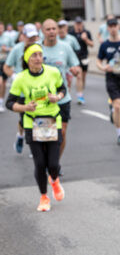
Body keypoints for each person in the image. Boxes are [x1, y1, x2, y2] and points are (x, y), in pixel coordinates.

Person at [6, 43, 66, 212]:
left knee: (53, 164)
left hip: (53, 121)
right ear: (27, 59)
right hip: (32, 123)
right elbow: (9, 103)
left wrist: (57, 96)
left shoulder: (53, 72)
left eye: (40, 54)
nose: (38, 58)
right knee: (40, 163)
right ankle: (44, 197)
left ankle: (54, 180)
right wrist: (24, 108)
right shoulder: (21, 78)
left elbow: (62, 88)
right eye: (34, 55)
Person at [41, 19, 81, 170]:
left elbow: (74, 64)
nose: (51, 31)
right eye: (48, 29)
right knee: (46, 134)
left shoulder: (65, 47)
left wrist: (75, 70)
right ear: (43, 32)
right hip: (43, 99)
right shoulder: (37, 49)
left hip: (62, 97)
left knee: (62, 132)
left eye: (54, 29)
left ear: (57, 30)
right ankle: (46, 160)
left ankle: (55, 163)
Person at [4, 23, 40, 155]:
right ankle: (20, 136)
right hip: (22, 91)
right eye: (29, 37)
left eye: (34, 36)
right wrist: (14, 76)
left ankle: (35, 146)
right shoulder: (17, 49)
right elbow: (6, 67)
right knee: (24, 119)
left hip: (38, 89)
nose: (32, 39)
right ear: (23, 36)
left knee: (38, 116)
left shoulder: (40, 49)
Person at [69, 16, 93, 105]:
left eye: (80, 23)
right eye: (77, 23)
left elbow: (92, 44)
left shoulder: (86, 32)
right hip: (74, 58)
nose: (78, 25)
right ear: (75, 24)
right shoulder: (71, 33)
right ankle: (79, 95)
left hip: (84, 57)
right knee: (78, 76)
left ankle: (81, 89)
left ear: (82, 23)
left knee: (83, 76)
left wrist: (85, 39)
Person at [58, 20, 82, 90]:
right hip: (59, 65)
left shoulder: (71, 38)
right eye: (60, 27)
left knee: (68, 84)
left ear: (66, 27)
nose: (61, 28)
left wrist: (74, 63)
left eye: (63, 26)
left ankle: (74, 96)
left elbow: (77, 50)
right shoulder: (55, 39)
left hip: (69, 66)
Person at [0, 21, 14, 112]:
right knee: (0, 82)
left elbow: (13, 48)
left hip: (5, 62)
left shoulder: (7, 37)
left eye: (1, 28)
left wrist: (7, 49)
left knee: (4, 83)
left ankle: (1, 102)